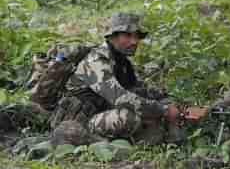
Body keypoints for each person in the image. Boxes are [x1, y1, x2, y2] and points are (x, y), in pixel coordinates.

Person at [50, 12, 208, 145]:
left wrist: (180, 106)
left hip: (100, 114)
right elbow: (120, 98)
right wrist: (164, 110)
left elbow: (142, 90)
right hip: (76, 122)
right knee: (129, 117)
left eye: (137, 36)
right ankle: (98, 143)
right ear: (112, 36)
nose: (134, 41)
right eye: (127, 35)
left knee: (157, 108)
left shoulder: (121, 61)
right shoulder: (96, 61)